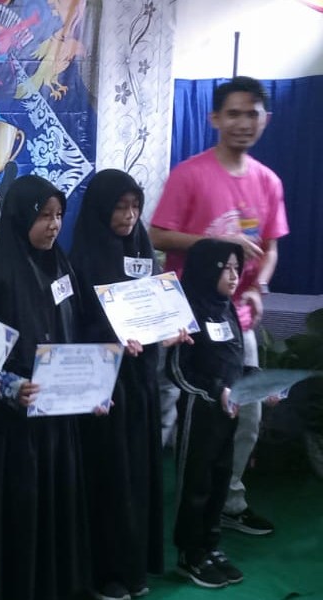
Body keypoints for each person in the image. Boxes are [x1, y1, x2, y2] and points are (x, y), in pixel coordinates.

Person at [150, 76, 289, 536]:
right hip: (183, 317)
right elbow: (158, 235)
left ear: (265, 119)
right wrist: (216, 243)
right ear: (214, 118)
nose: (243, 122)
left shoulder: (268, 182)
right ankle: (142, 500)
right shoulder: (189, 174)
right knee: (168, 408)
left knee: (246, 413)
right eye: (233, 113)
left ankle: (229, 499)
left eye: (252, 113)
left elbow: (270, 247)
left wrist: (258, 287)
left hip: (237, 319)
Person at [0, 174, 90, 600]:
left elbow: (78, 333)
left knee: (59, 508)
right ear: (22, 218)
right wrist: (11, 387)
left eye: (59, 215)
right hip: (15, 430)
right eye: (44, 216)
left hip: (59, 420)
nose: (54, 225)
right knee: (22, 519)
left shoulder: (63, 267)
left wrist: (91, 385)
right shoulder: (0, 279)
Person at [70, 169, 165, 600]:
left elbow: (158, 305)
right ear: (100, 209)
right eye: (120, 207)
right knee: (108, 476)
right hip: (102, 386)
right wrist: (111, 339)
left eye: (135, 207)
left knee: (138, 472)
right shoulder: (81, 259)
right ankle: (105, 568)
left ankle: (134, 563)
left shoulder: (141, 248)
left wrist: (169, 329)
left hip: (139, 382)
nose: (129, 216)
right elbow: (73, 326)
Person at [168, 239, 246, 588]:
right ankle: (190, 553)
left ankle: (210, 545)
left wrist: (255, 383)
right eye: (224, 268)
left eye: (236, 268)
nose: (233, 276)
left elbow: (234, 362)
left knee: (219, 479)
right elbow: (178, 370)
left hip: (228, 413)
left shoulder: (227, 307)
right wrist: (215, 392)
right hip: (199, 413)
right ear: (205, 270)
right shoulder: (187, 311)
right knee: (196, 483)